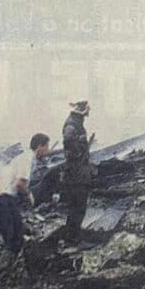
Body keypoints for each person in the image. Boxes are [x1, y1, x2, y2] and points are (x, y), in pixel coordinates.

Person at [0, 133, 48, 275]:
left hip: (0, 198)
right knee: (14, 239)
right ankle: (4, 275)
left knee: (15, 237)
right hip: (4, 199)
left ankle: (7, 273)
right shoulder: (27, 159)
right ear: (39, 146)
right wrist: (29, 195)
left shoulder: (21, 158)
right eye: (46, 147)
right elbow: (20, 184)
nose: (48, 151)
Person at [62, 100, 94, 243]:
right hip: (76, 173)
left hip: (78, 172)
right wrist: (79, 153)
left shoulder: (75, 123)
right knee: (77, 206)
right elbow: (69, 143)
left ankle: (73, 236)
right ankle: (73, 238)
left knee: (77, 207)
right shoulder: (72, 125)